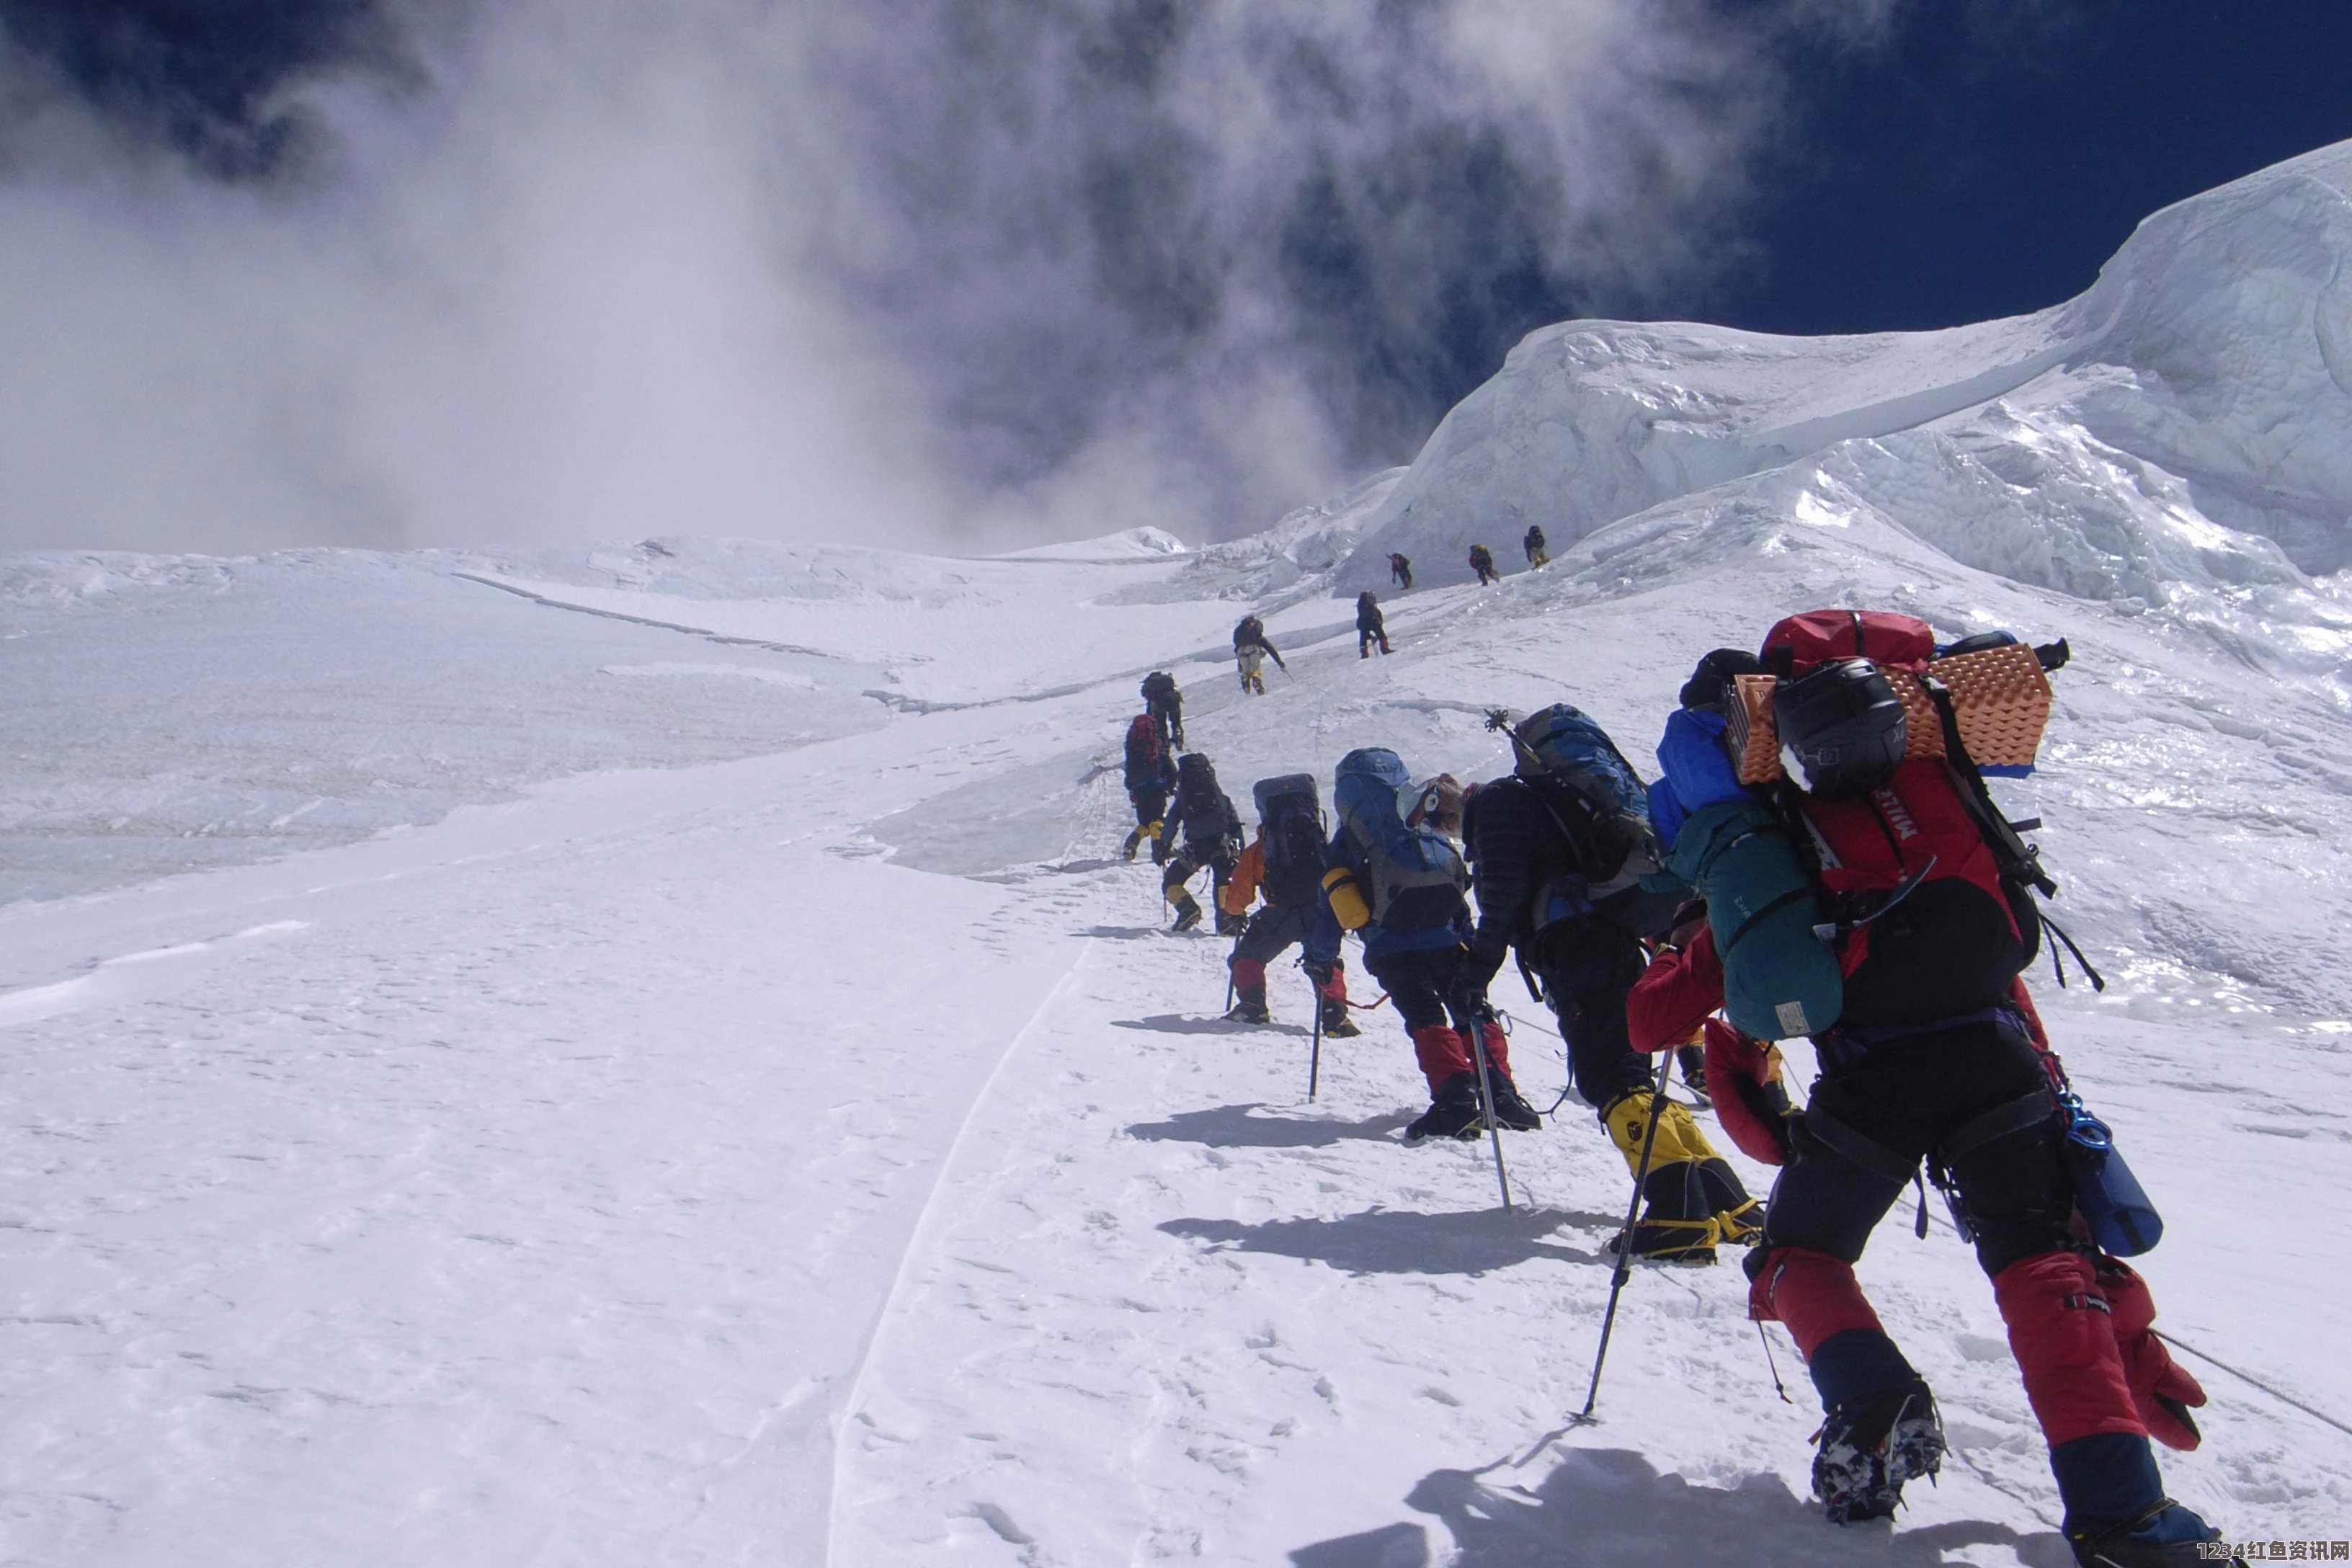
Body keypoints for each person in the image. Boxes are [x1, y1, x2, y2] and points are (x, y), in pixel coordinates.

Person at [1647, 612, 2235, 1565]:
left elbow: (1689, 1017)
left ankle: (1870, 1393)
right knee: (2046, 1268)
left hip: (1870, 1085)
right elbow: (2007, 967)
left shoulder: (1773, 843)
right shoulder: (1947, 792)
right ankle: (2123, 1516)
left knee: (1799, 1254)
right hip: (2000, 1062)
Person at [1457, 704, 1759, 1264]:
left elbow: (1500, 895)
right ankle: (1728, 1201)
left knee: (1611, 1080)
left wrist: (1479, 966)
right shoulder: (1582, 800)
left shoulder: (1506, 801)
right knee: (1629, 1072)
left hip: (1573, 946)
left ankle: (1677, 1215)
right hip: (1621, 938)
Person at [1321, 747, 1541, 1141]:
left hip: (1391, 944)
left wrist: (1323, 956)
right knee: (1470, 1007)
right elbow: (1452, 882)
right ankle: (1502, 1096)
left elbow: (1334, 895)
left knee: (1426, 1017)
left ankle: (1456, 1102)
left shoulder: (1353, 832)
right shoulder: (1420, 817)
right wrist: (1468, 939)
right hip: (1446, 937)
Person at [1219, 775, 1358, 1033]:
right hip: (1321, 910)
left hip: (1280, 912)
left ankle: (1253, 1006)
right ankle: (1335, 1015)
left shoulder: (1261, 849)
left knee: (1247, 957)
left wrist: (1233, 913)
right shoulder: (1319, 842)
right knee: (1323, 959)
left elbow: (1239, 897)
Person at [1162, 752, 1245, 934]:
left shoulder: (1183, 799)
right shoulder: (1219, 796)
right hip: (1223, 847)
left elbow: (1170, 824)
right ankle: (1227, 920)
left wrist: (1162, 847)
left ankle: (1188, 909)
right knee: (1223, 880)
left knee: (1171, 881)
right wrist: (1242, 853)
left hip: (1197, 848)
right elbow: (1235, 825)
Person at [1120, 711, 1180, 862]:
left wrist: (1132, 788)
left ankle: (1132, 841)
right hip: (1157, 788)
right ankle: (1160, 850)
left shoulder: (1132, 747)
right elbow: (1169, 768)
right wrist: (1171, 786)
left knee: (1144, 822)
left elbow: (1129, 771)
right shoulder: (1156, 743)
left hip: (1139, 790)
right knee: (1157, 820)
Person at [1232, 615, 1286, 695]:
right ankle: (1257, 682)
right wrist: (1279, 661)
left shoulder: (1239, 632)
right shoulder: (1258, 636)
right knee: (1256, 669)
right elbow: (1270, 648)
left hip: (1241, 652)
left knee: (1246, 671)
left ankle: (1245, 678)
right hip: (1253, 649)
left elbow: (1237, 649)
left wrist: (1240, 667)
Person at [1141, 670, 1185, 752]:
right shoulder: (1167, 680)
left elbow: (1145, 696)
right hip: (1173, 699)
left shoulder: (1149, 683)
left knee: (1161, 726)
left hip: (1159, 704)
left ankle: (1164, 743)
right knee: (1176, 722)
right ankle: (1178, 738)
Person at [1355, 592, 1391, 658]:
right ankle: (1364, 653)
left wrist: (1379, 623)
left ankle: (1384, 648)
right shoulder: (1363, 607)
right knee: (1364, 637)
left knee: (1380, 635)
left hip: (1371, 624)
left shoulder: (1373, 609)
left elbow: (1379, 617)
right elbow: (1366, 615)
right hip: (1365, 624)